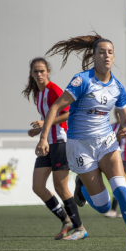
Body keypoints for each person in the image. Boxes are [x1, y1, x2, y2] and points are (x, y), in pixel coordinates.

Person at [36, 34, 126, 248]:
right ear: (93, 56)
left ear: (114, 56)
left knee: (121, 190)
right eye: (101, 52)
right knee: (103, 206)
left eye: (110, 52)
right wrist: (43, 138)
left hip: (106, 143)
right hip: (80, 147)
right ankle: (82, 187)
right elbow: (55, 107)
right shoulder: (82, 80)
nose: (106, 56)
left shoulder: (118, 88)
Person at [22, 57, 85, 241]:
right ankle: (66, 221)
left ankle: (80, 227)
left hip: (60, 142)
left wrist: (44, 124)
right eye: (36, 71)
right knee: (38, 187)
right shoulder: (39, 94)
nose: (39, 74)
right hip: (47, 143)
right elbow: (48, 119)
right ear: (31, 74)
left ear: (48, 71)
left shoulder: (53, 90)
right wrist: (40, 129)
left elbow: (68, 114)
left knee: (60, 187)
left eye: (42, 71)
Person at [104, 108, 126, 218]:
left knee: (119, 183)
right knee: (120, 184)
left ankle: (113, 210)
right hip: (113, 158)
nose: (118, 115)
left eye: (119, 112)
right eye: (116, 113)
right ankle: (125, 209)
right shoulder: (111, 126)